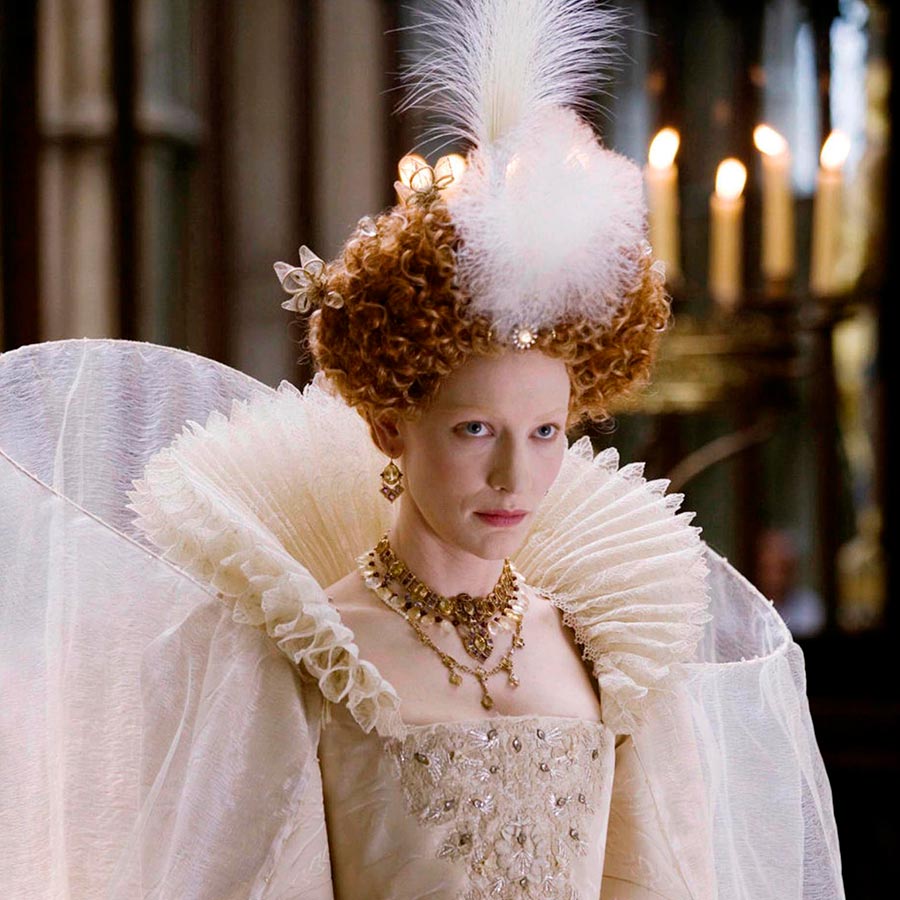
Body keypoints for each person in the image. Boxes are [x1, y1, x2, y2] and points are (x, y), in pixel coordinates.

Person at [0, 1, 843, 897]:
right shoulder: (305, 658)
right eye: (474, 429)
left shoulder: (613, 656)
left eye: (545, 433)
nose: (516, 477)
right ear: (389, 426)